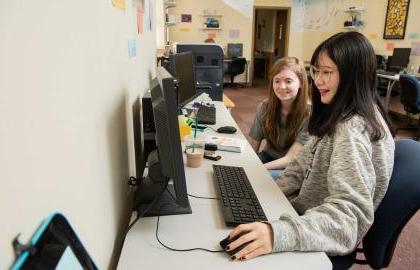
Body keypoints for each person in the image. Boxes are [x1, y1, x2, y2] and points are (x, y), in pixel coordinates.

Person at [224, 31, 395, 265]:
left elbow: (349, 219)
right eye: (316, 71)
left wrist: (277, 233)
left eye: (327, 73)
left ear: (353, 75)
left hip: (315, 234)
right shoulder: (338, 114)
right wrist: (264, 198)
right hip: (301, 216)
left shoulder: (352, 129)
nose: (318, 81)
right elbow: (299, 165)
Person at [249, 57, 310, 178]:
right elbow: (253, 147)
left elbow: (290, 159)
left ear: (301, 83)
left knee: (258, 177)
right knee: (240, 170)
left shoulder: (309, 114)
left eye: (288, 81)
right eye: (277, 81)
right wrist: (248, 164)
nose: (281, 86)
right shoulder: (265, 107)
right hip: (269, 156)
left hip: (293, 166)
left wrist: (256, 168)